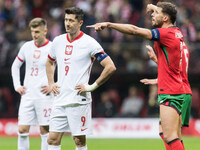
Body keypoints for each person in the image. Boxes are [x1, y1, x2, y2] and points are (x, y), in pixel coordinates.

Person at [88, 2, 186, 150]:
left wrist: (109, 24)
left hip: (171, 91)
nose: (152, 15)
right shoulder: (176, 31)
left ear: (165, 18)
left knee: (170, 136)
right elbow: (169, 15)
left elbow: (134, 30)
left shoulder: (165, 34)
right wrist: (154, 7)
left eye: (156, 13)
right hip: (174, 88)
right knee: (165, 133)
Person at [46, 7, 116, 150]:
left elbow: (110, 66)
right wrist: (51, 82)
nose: (67, 23)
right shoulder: (58, 41)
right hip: (59, 98)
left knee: (78, 141)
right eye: (66, 20)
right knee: (52, 139)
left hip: (78, 100)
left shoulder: (89, 43)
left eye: (71, 20)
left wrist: (91, 87)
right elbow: (49, 61)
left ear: (80, 23)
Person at [140, 42, 192, 150]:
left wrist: (156, 79)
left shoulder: (174, 45)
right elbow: (176, 70)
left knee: (168, 134)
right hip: (183, 90)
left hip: (177, 91)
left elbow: (174, 72)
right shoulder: (183, 46)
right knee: (172, 134)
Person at [11, 18, 53, 150]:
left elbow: (65, 68)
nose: (34, 35)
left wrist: (54, 85)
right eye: (32, 31)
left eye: (37, 32)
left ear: (45, 31)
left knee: (45, 130)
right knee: (22, 129)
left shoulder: (52, 48)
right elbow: (15, 66)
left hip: (44, 95)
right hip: (28, 94)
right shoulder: (26, 46)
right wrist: (17, 85)